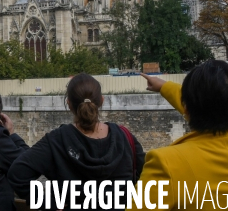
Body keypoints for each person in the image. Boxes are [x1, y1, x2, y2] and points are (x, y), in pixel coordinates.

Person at [128, 60, 228, 210]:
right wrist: (165, 87)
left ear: (186, 108)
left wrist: (168, 88)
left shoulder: (166, 164)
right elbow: (215, 108)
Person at [8, 73, 145, 210]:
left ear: (69, 104)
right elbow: (147, 178)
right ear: (101, 101)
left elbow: (17, 174)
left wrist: (50, 202)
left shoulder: (57, 140)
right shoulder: (125, 137)